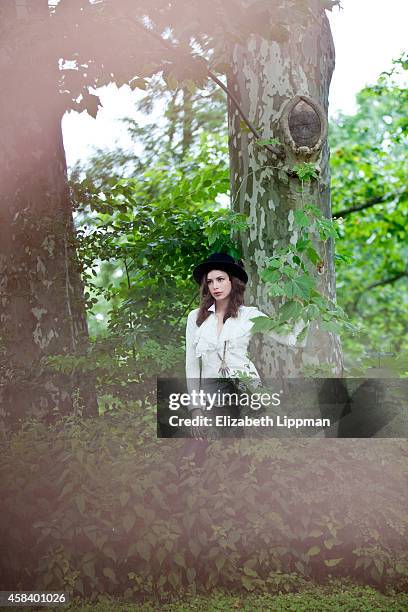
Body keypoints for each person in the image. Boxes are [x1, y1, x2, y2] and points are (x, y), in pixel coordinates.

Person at [185, 252, 308, 440]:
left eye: (220, 279)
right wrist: (195, 408)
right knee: (219, 452)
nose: (215, 286)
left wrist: (303, 307)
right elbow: (192, 364)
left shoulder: (250, 315)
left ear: (232, 281)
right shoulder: (195, 317)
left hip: (247, 388)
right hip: (212, 394)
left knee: (251, 451)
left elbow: (294, 339)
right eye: (210, 282)